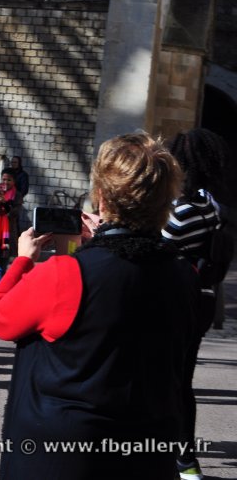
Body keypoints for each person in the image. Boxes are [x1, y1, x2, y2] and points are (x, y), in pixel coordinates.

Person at [0, 132, 196, 479]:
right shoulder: (182, 273)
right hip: (149, 447)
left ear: (101, 196)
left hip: (66, 450)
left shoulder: (67, 273)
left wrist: (22, 261)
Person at [161, 128, 229, 480]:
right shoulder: (211, 205)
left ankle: (180, 456)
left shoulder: (186, 210)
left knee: (166, 381)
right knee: (180, 382)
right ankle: (183, 459)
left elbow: (156, 242)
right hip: (199, 302)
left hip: (174, 304)